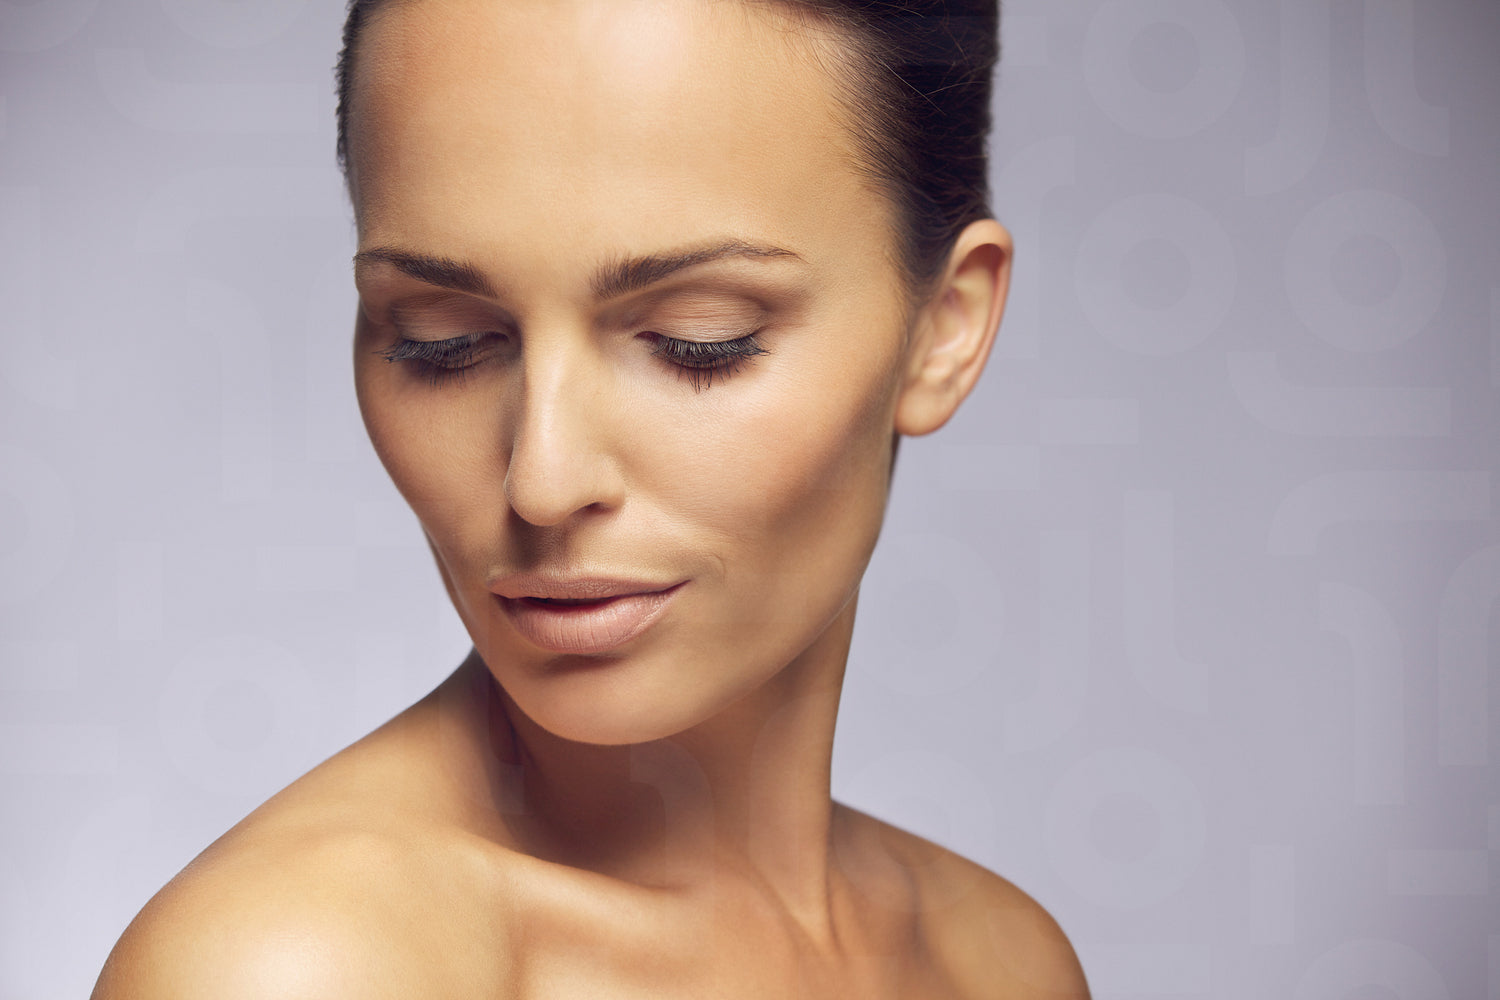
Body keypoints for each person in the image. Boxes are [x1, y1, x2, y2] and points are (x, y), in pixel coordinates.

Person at [93, 0, 1089, 995]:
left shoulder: (1004, 963)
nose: (542, 482)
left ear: (944, 327)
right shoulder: (294, 966)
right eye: (443, 341)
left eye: (699, 339)